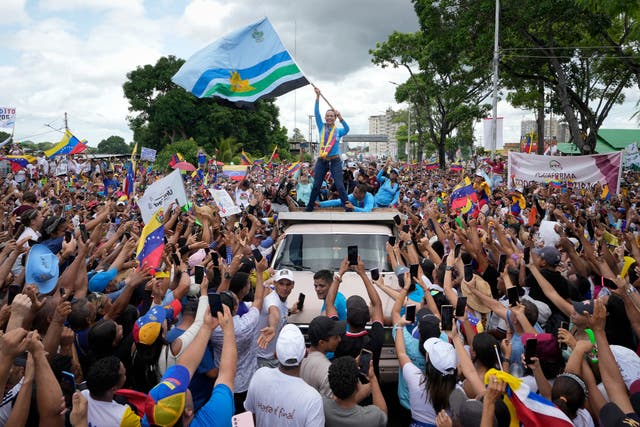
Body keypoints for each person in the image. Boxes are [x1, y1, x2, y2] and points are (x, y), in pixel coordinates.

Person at [244, 324, 325, 427]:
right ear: (305, 354)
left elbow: (249, 417)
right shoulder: (313, 399)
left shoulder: (259, 376)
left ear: (276, 354)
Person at [305, 87, 350, 212]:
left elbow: (347, 129)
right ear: (325, 118)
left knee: (340, 186)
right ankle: (309, 208)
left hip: (335, 161)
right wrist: (318, 97)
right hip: (322, 160)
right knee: (316, 185)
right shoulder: (321, 127)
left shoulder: (338, 131)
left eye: (332, 116)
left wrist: (341, 117)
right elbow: (316, 113)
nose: (329, 118)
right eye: (327, 116)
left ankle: (347, 207)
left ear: (334, 118)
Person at [323, 356, 388, 427]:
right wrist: (373, 378)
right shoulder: (371, 417)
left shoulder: (322, 406)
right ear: (357, 386)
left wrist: (349, 367)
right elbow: (383, 414)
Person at [256, 269, 295, 368]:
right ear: (275, 284)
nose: (285, 288)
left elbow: (281, 313)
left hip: (275, 357)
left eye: (288, 284)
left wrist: (290, 311)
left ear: (293, 285)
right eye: (281, 284)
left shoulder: (282, 300)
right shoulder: (271, 300)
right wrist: (272, 327)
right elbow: (274, 311)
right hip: (262, 359)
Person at [300, 316, 346, 397]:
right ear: (321, 343)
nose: (339, 339)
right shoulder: (327, 370)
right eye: (335, 337)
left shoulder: (300, 358)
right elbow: (332, 406)